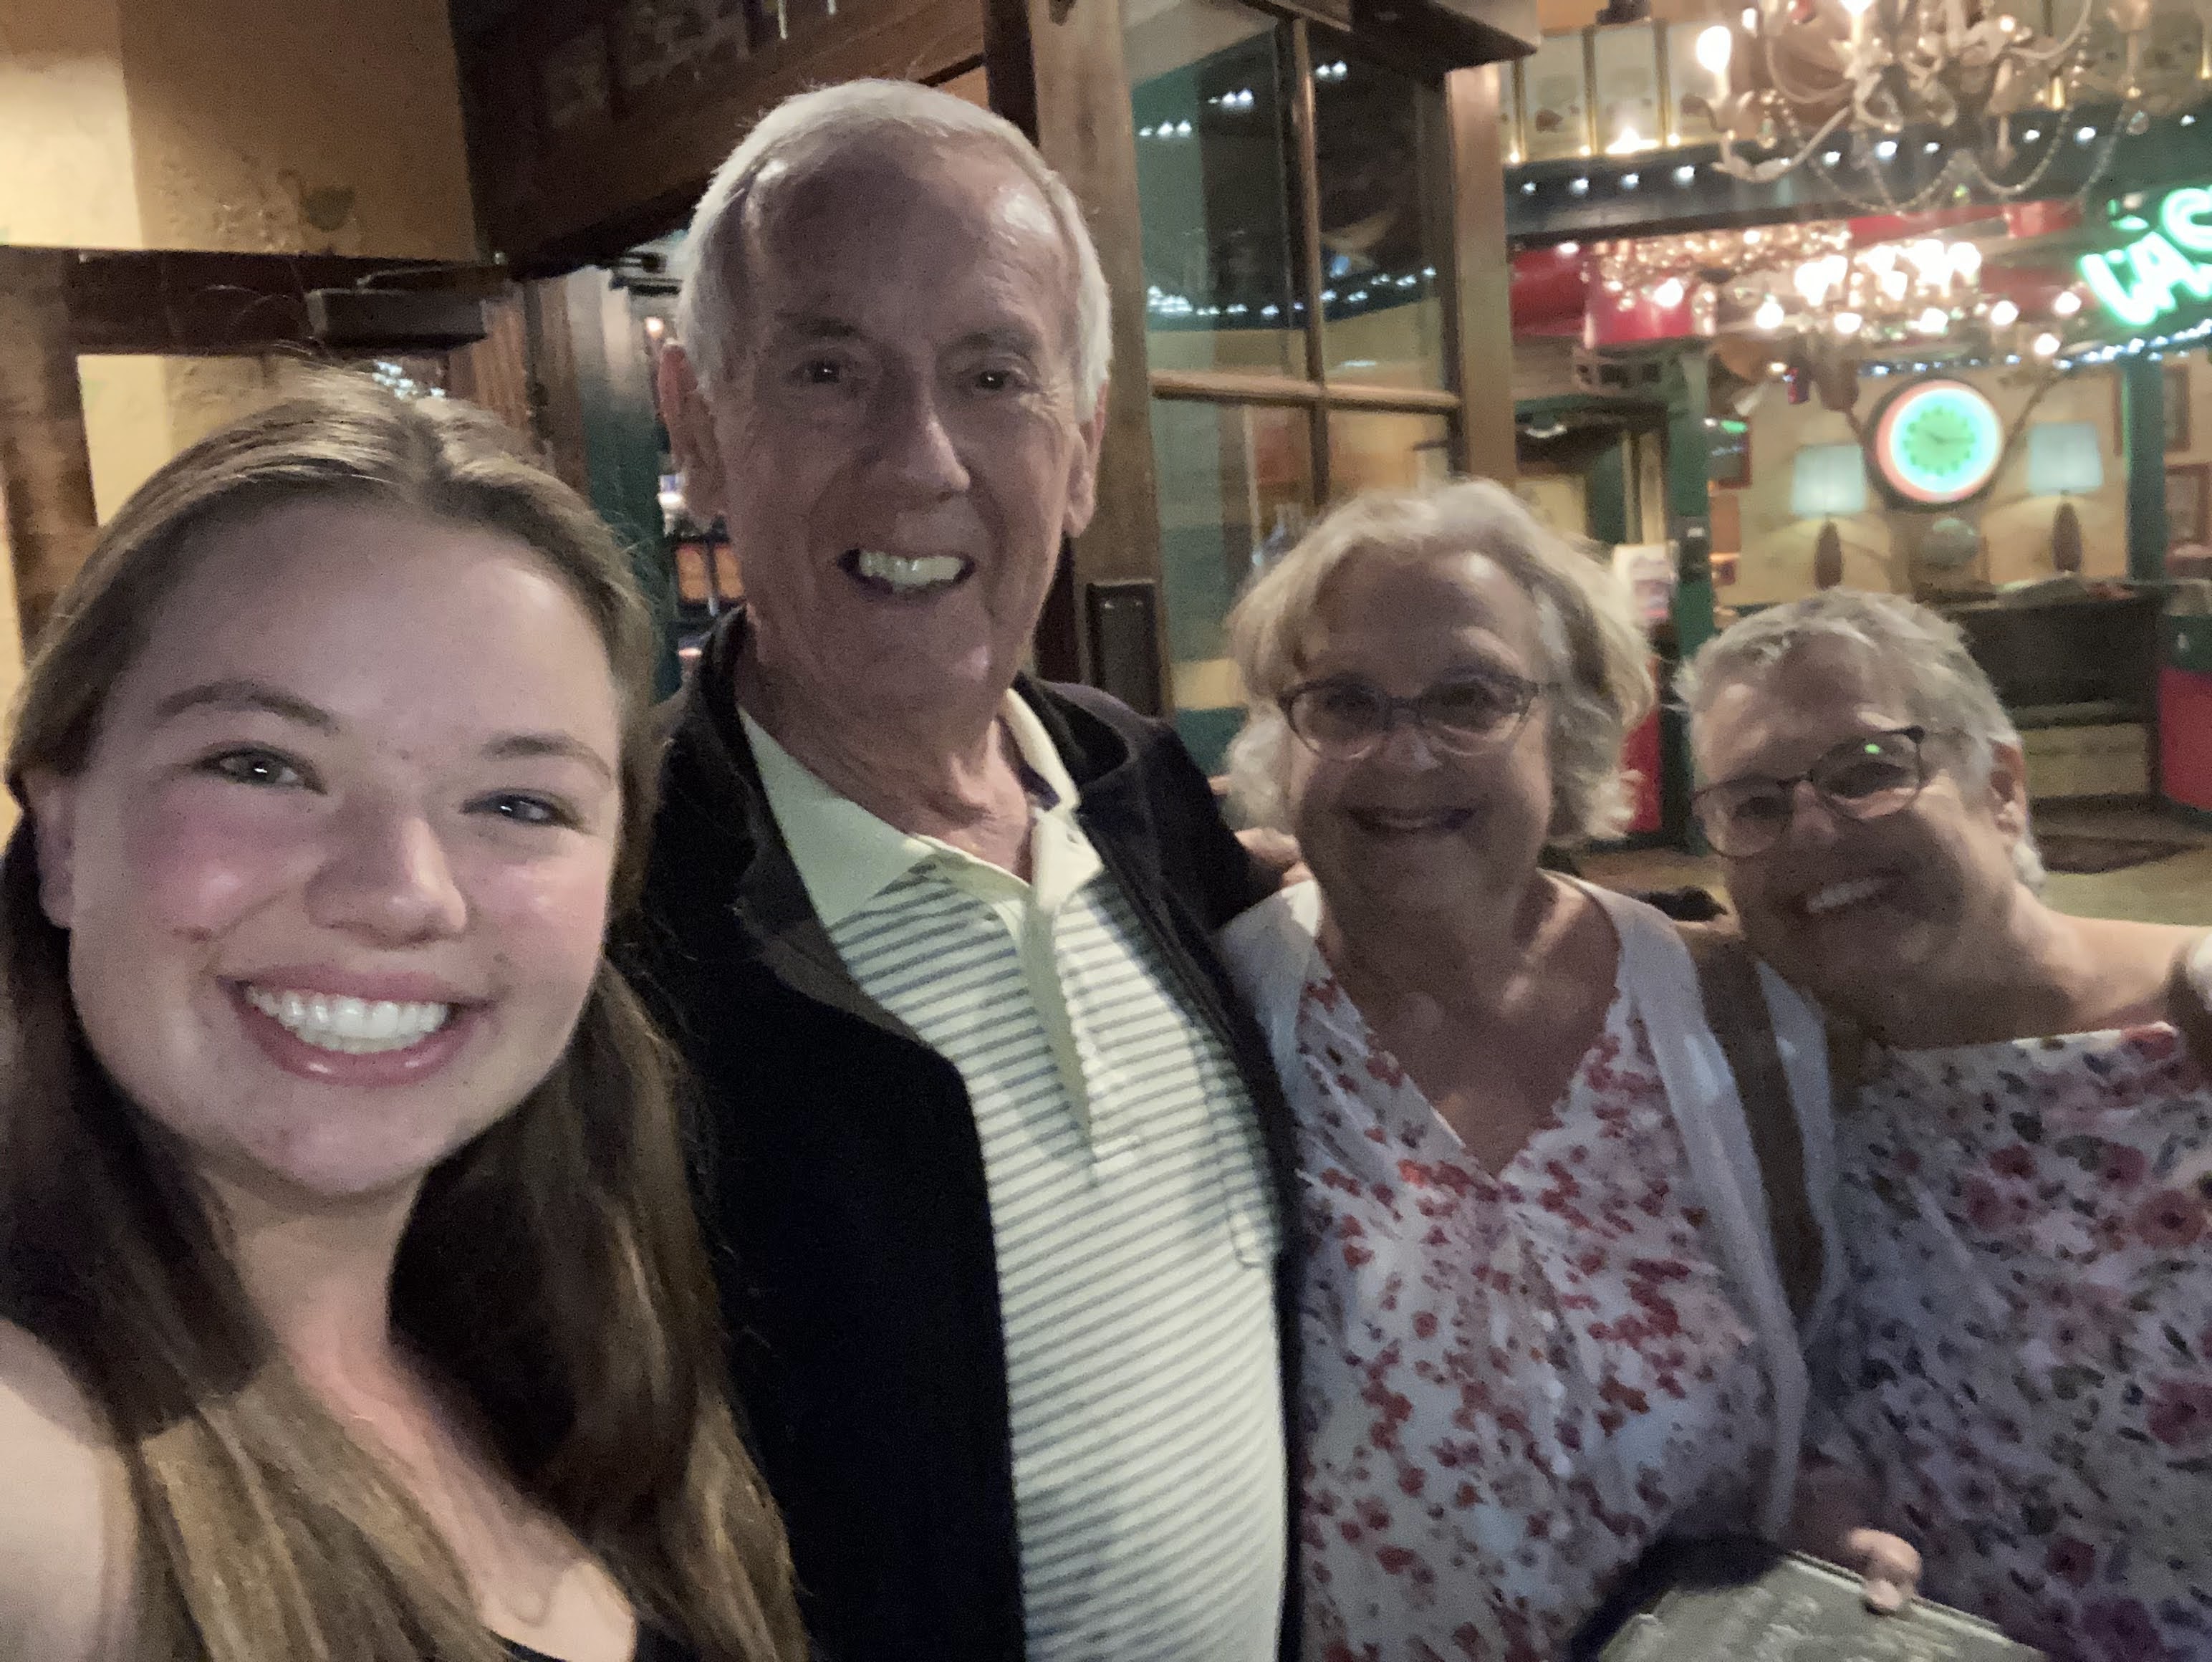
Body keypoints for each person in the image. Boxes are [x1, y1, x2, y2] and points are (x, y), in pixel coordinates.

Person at [633, 80, 1299, 1662]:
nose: (919, 458)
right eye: (826, 370)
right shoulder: (604, 912)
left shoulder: (1144, 797)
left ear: (1081, 452)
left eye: (993, 377)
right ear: (697, 423)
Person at [0, 379, 802, 1662]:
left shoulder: (563, 1362)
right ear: (63, 833)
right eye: (262, 766)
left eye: (519, 803)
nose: (400, 892)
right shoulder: (37, 1468)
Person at [1214, 479, 1847, 1659]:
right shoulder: (1211, 1016)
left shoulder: (1733, 1008)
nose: (1404, 753)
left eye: (1470, 698)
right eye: (1344, 702)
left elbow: (1848, 1338)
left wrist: (1833, 1507)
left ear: (1570, 727)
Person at [1680, 589, 2212, 1661]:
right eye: (1755, 804)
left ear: (2001, 788)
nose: (1814, 829)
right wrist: (1826, 1493)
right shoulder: (1789, 1082)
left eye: (1868, 767)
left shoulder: (2186, 1038)